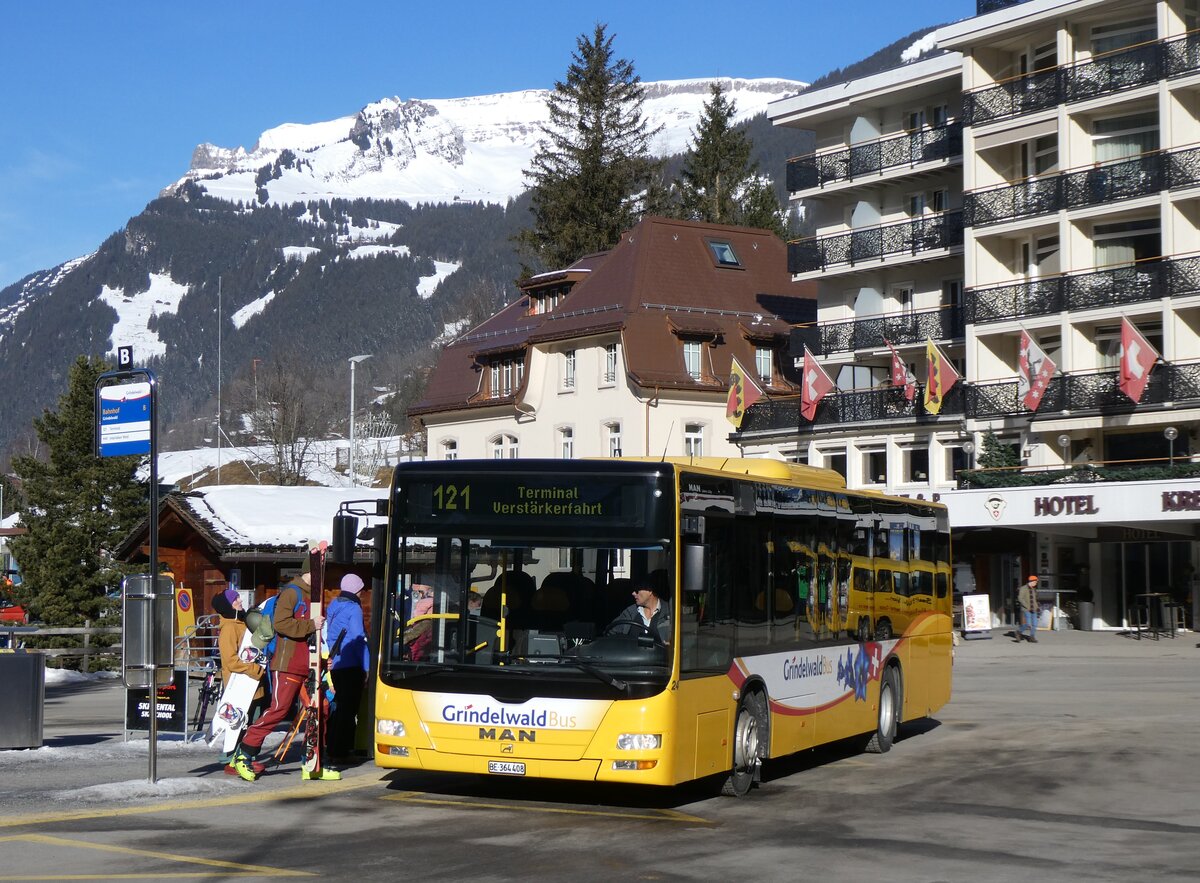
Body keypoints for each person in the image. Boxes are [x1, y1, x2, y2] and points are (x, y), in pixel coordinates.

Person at [233, 561, 341, 782]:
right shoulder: (291, 593)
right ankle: (244, 754)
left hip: (308, 665)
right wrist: (311, 625)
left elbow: (315, 638)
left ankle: (312, 762)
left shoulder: (315, 597)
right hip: (287, 664)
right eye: (319, 572)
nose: (323, 577)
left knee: (320, 708)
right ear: (309, 572)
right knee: (279, 710)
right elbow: (282, 624)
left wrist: (323, 660)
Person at [211, 586, 268, 776]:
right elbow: (231, 661)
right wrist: (254, 670)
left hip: (253, 683)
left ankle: (246, 758)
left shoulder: (242, 622)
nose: (240, 602)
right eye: (236, 600)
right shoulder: (228, 628)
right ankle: (234, 761)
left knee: (253, 722)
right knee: (241, 723)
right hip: (241, 685)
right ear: (228, 605)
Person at [324, 573, 370, 763]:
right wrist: (366, 666)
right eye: (361, 589)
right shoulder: (354, 609)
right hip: (352, 664)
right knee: (349, 709)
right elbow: (359, 639)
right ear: (357, 590)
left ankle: (332, 746)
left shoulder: (333, 605)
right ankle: (342, 750)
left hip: (335, 663)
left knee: (338, 705)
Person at [608, 570, 672, 645]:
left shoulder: (670, 612)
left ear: (650, 590)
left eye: (637, 590)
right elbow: (610, 633)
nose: (633, 593)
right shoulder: (630, 612)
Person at [1017, 575, 1040, 643]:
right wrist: (1027, 606)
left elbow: (1034, 599)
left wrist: (1037, 607)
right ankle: (1018, 632)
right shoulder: (1023, 588)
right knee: (1027, 624)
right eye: (1035, 582)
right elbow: (1020, 598)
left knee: (1035, 624)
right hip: (1027, 609)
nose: (1036, 583)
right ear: (1032, 581)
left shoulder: (1033, 589)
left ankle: (1032, 637)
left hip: (1034, 609)